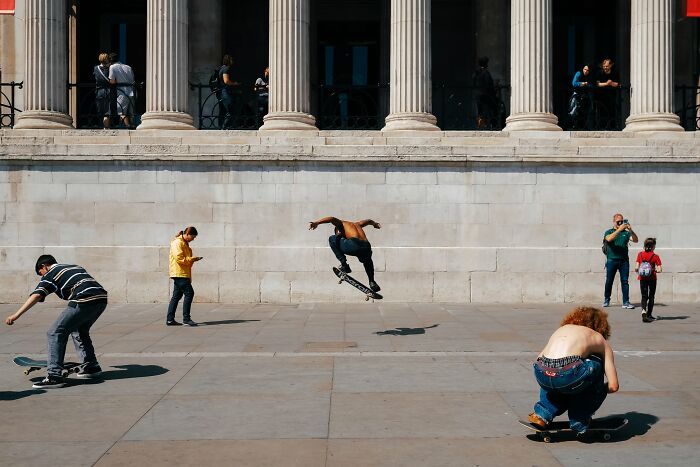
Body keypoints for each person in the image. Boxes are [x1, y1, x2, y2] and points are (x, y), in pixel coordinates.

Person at [5, 255, 109, 389]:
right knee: (79, 330)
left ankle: (54, 376)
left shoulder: (50, 274)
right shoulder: (74, 266)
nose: (41, 276)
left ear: (44, 266)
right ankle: (91, 366)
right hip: (101, 299)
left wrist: (16, 315)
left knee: (55, 332)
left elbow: (37, 295)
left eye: (40, 273)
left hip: (83, 299)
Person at [528, 306, 619, 436]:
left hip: (541, 372)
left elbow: (539, 359)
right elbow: (614, 386)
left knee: (553, 370)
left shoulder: (562, 330)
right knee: (597, 362)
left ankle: (542, 414)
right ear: (602, 326)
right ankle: (579, 419)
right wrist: (598, 390)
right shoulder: (598, 338)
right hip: (568, 374)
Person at [309, 217, 382, 292]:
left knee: (332, 239)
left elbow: (331, 219)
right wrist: (375, 224)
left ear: (338, 229)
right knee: (367, 261)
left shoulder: (341, 224)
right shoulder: (358, 224)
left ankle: (344, 265)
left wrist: (317, 222)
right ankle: (372, 282)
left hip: (354, 245)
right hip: (366, 247)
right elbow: (369, 221)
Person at [167, 227, 203, 326]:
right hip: (179, 273)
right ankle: (186, 318)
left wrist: (192, 260)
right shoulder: (177, 243)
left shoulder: (184, 243)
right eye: (193, 237)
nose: (193, 239)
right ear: (187, 234)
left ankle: (170, 319)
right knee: (189, 293)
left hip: (182, 273)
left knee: (176, 296)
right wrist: (192, 259)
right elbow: (179, 258)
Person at [603, 213, 638, 309]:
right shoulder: (609, 231)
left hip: (624, 261)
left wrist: (630, 230)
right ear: (614, 222)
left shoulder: (626, 233)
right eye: (618, 221)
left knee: (625, 281)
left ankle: (626, 302)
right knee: (609, 280)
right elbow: (609, 239)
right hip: (611, 260)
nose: (620, 223)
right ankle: (606, 299)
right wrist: (619, 229)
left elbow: (635, 240)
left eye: (622, 221)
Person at [635, 237, 663, 323]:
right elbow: (660, 269)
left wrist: (640, 270)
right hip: (652, 278)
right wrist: (656, 270)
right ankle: (649, 314)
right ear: (653, 246)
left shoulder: (640, 254)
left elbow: (636, 268)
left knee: (644, 296)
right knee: (651, 296)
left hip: (642, 278)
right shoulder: (655, 256)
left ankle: (643, 311)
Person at [108, 52, 136, 128]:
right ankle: (133, 126)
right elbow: (133, 80)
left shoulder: (112, 67)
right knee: (131, 113)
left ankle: (128, 126)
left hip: (123, 92)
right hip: (132, 91)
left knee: (120, 111)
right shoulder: (128, 67)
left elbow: (112, 81)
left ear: (110, 61)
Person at [472, 56, 498, 129]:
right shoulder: (485, 72)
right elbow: (488, 84)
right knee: (491, 109)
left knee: (480, 110)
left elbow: (473, 83)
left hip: (477, 95)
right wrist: (494, 90)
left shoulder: (476, 73)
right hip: (485, 95)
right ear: (486, 64)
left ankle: (480, 124)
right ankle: (491, 125)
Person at [595, 58, 620, 129]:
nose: (605, 67)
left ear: (611, 65)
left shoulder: (615, 72)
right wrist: (607, 83)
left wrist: (611, 83)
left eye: (607, 66)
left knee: (612, 111)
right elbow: (597, 84)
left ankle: (612, 127)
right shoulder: (600, 73)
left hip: (611, 96)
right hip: (601, 96)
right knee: (601, 112)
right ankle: (601, 127)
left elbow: (617, 84)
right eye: (604, 66)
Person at [218, 54, 241, 129]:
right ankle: (225, 127)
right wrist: (235, 83)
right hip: (226, 92)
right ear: (228, 60)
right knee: (231, 110)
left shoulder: (221, 68)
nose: (232, 61)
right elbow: (226, 81)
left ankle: (227, 126)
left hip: (223, 91)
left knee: (228, 110)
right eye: (231, 60)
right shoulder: (226, 68)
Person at [568, 64, 593, 129]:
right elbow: (574, 83)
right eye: (585, 69)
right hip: (577, 94)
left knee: (586, 111)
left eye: (587, 70)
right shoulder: (579, 73)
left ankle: (585, 126)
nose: (586, 71)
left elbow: (591, 85)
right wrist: (581, 83)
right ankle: (572, 125)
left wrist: (587, 84)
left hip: (585, 95)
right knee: (573, 110)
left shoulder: (589, 76)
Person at [93, 52, 112, 129]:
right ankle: (106, 127)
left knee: (100, 110)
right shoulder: (110, 68)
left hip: (99, 91)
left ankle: (101, 125)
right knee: (107, 112)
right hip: (108, 91)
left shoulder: (95, 68)